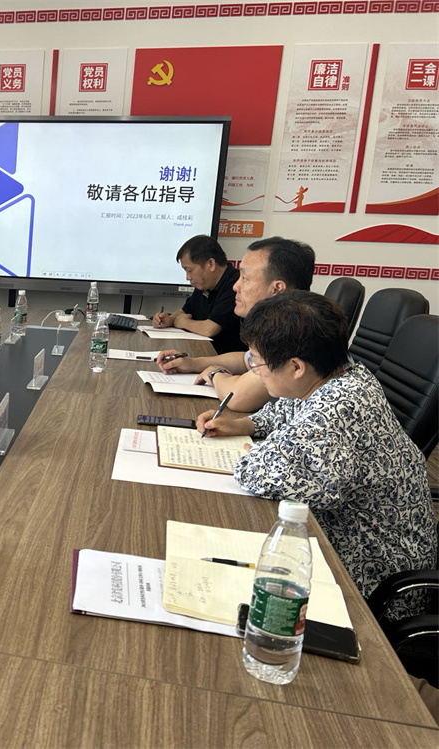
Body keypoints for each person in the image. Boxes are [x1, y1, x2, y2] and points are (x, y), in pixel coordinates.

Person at [196, 291, 436, 616]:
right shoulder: (341, 373)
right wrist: (240, 425)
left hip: (371, 576)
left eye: (257, 362)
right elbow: (284, 411)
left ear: (296, 366)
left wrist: (260, 452)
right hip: (344, 541)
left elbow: (257, 472)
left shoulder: (338, 407)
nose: (255, 370)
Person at [156, 236, 315, 412]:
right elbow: (245, 359)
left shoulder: (293, 333)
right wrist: (193, 363)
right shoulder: (280, 321)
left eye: (245, 278)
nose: (235, 287)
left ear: (276, 289)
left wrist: (214, 373)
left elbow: (238, 397)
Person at [151, 235, 243, 354]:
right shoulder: (205, 283)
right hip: (204, 353)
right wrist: (169, 319)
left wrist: (182, 322)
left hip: (228, 359)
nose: (187, 277)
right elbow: (185, 310)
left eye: (190, 270)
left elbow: (209, 329)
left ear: (211, 264)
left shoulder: (235, 285)